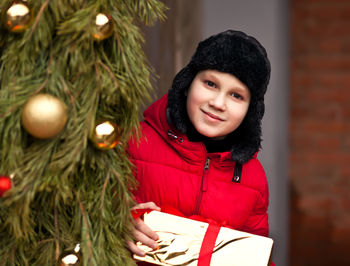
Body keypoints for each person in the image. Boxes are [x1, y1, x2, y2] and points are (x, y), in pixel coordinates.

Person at [126, 29, 272, 261]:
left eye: (236, 96)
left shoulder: (254, 179)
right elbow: (79, 213)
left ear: (250, 111)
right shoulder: (134, 141)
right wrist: (116, 225)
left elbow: (254, 258)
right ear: (187, 83)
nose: (218, 103)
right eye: (210, 84)